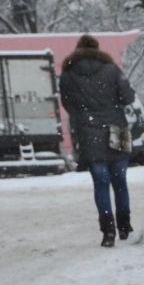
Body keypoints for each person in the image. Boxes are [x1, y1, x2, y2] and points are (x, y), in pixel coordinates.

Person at [58, 34, 136, 247]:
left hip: (88, 130)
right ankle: (124, 225)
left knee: (101, 183)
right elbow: (128, 97)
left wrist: (86, 115)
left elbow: (69, 105)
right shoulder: (112, 70)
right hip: (117, 127)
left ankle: (108, 230)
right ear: (97, 49)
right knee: (120, 181)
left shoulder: (68, 75)